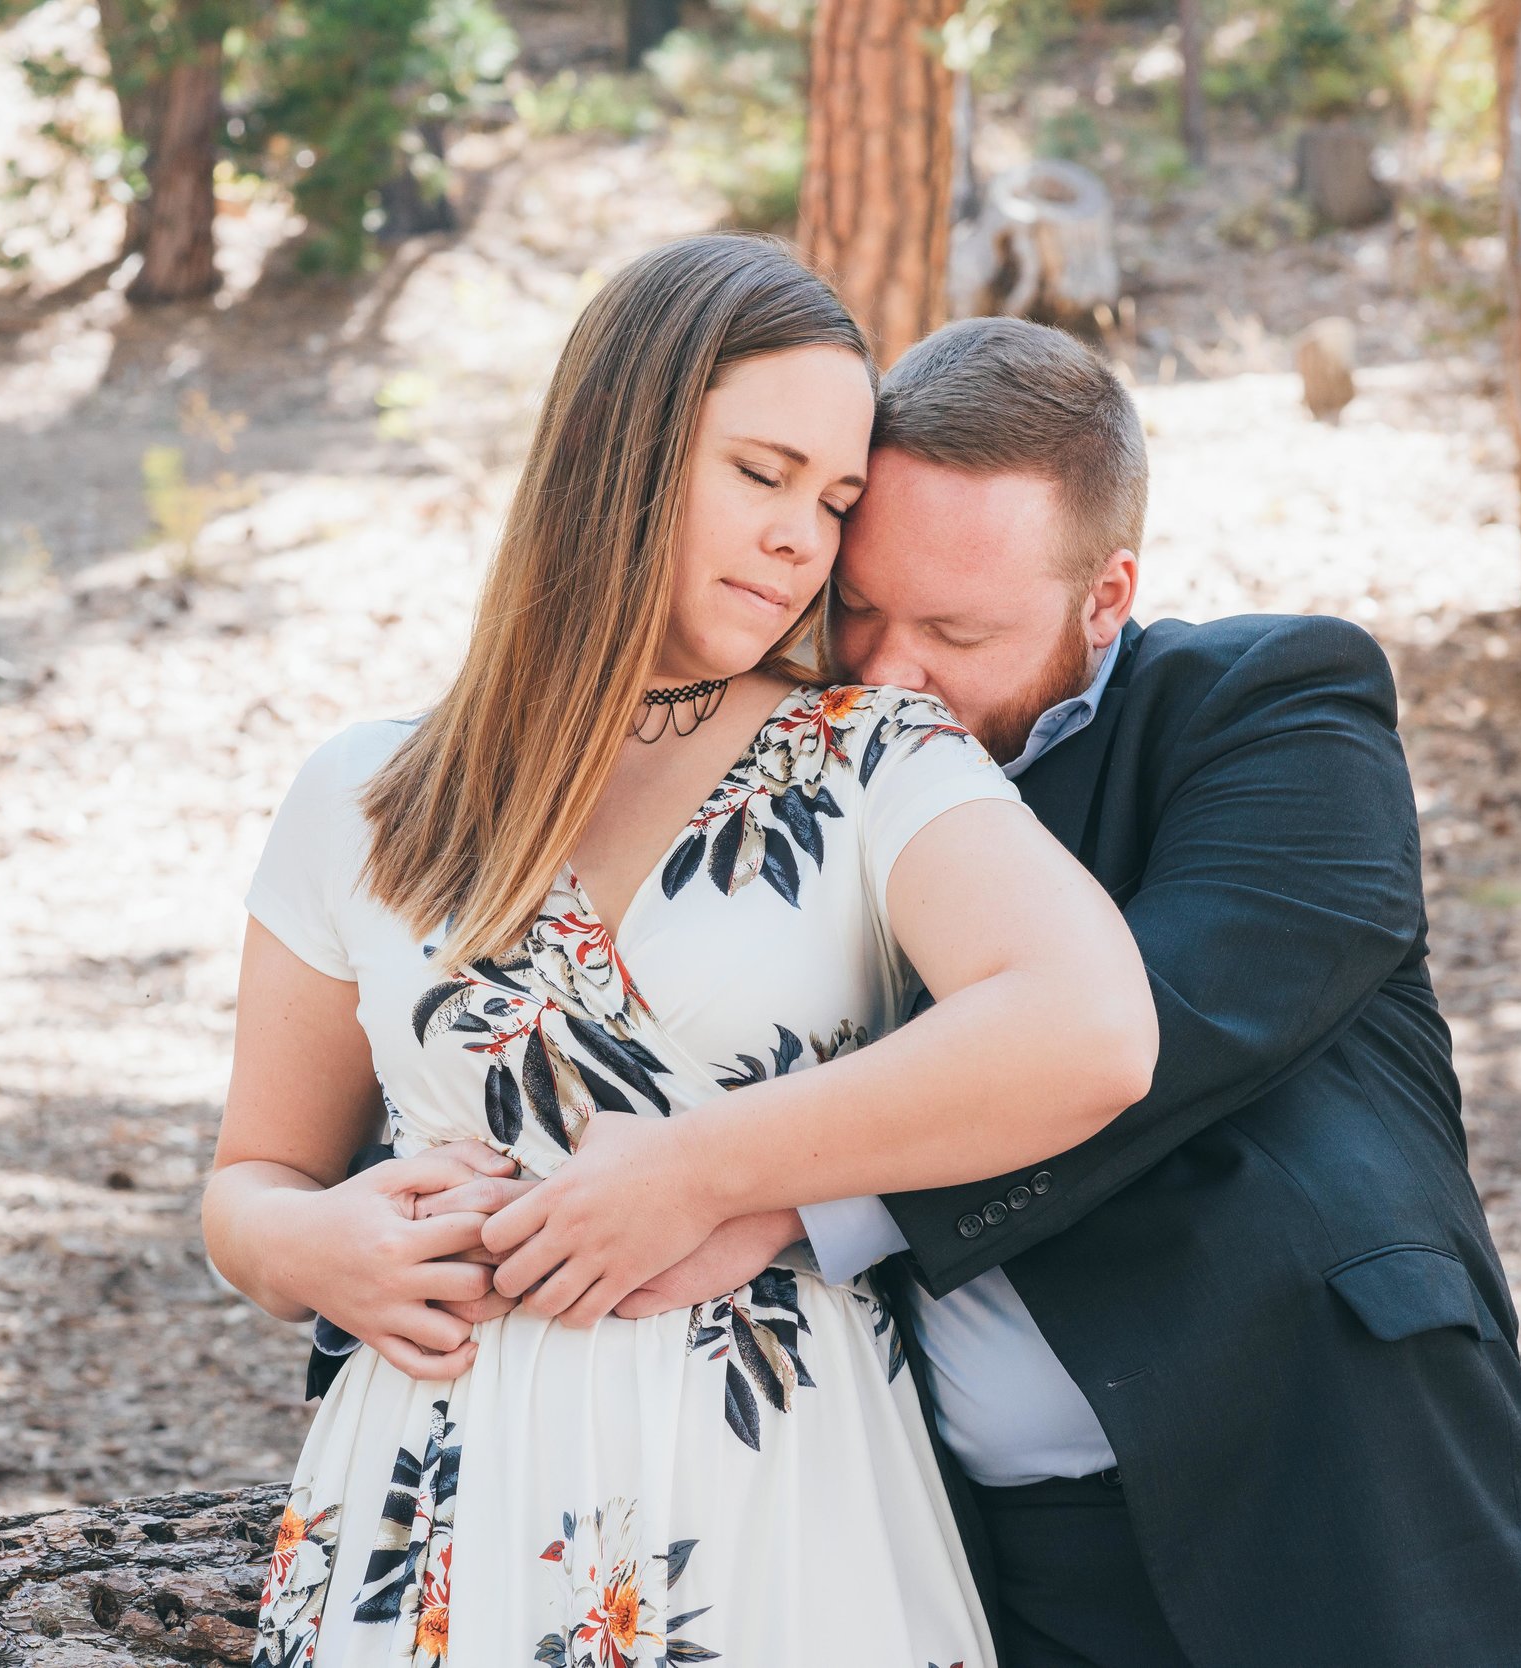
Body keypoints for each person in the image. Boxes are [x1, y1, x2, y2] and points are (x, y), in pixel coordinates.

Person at [595, 317, 1521, 1668]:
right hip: (999, 1569)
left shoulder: (1274, 708)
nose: (893, 675)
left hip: (1349, 1495)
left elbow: (1156, 1031)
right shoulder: (784, 776)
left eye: (959, 630)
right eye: (864, 609)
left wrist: (796, 1192)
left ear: (1105, 596)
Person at [201, 238, 1156, 1668]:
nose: (803, 541)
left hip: (777, 1503)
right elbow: (250, 1181)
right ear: (617, 450)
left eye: (835, 502)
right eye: (761, 474)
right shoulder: (364, 793)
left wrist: (701, 1167)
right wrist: (312, 1246)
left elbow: (1089, 1029)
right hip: (436, 1506)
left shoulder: (870, 760)